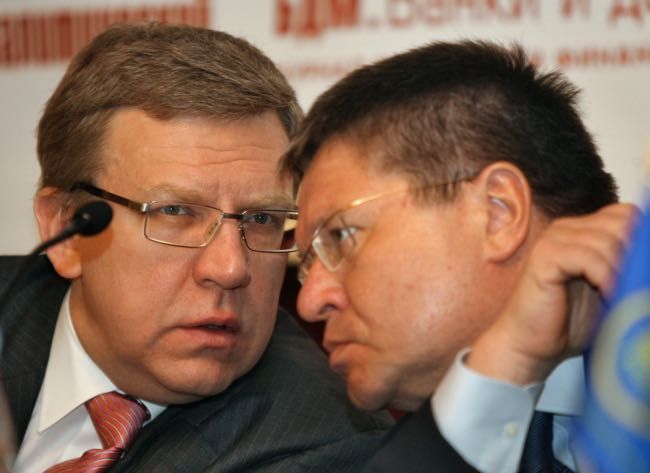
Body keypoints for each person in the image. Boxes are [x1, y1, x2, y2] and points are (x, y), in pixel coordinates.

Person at [0, 22, 392, 472]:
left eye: (261, 219)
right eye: (175, 212)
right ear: (68, 230)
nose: (231, 268)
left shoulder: (323, 447)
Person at [281, 40, 637, 472]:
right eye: (308, 265)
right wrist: (504, 366)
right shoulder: (382, 454)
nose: (310, 301)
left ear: (498, 212)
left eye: (341, 236)